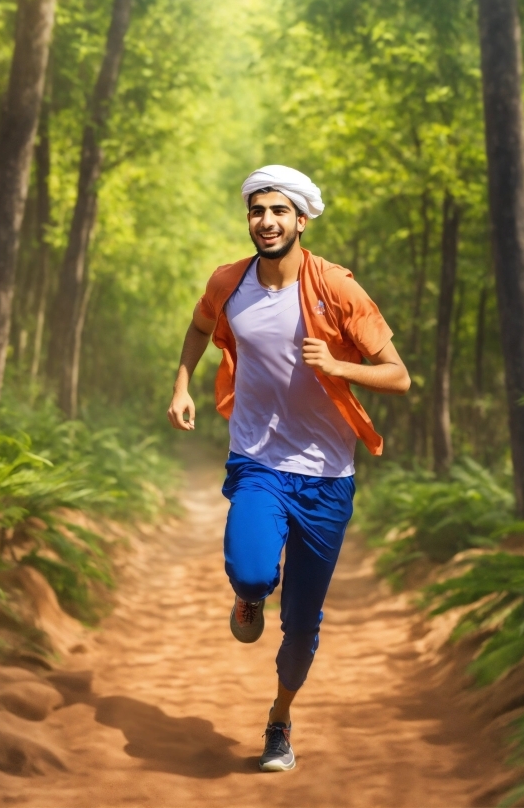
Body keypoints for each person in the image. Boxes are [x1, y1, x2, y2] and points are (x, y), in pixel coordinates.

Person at [167, 164, 410, 772]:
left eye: (278, 211)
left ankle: (279, 720)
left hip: (328, 477)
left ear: (302, 219)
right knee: (250, 572)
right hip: (259, 460)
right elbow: (200, 327)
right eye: (257, 210)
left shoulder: (339, 290)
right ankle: (249, 597)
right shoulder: (229, 283)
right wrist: (181, 385)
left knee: (301, 625)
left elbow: (399, 377)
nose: (266, 221)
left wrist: (338, 365)